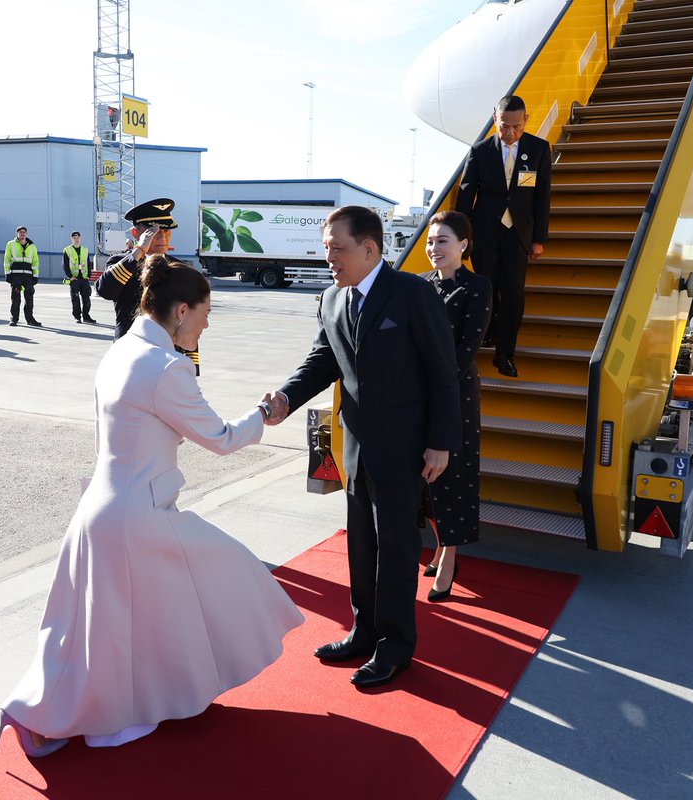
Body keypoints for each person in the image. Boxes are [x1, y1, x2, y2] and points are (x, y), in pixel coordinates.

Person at [0, 254, 302, 757]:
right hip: (139, 516)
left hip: (101, 504)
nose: (208, 323)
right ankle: (85, 715)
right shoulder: (166, 368)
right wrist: (265, 413)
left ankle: (57, 711)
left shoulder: (121, 350)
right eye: (205, 313)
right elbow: (220, 438)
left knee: (99, 629)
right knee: (226, 573)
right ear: (181, 311)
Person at [266, 206, 460, 689]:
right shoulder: (332, 298)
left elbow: (443, 373)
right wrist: (286, 397)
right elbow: (322, 360)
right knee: (361, 545)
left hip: (405, 449)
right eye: (327, 247)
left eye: (338, 248)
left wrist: (440, 444)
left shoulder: (413, 294)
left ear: (370, 249)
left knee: (396, 549)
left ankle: (395, 646)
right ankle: (364, 631)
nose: (328, 256)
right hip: (355, 447)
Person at [419, 211, 491, 601]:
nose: (434, 249)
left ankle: (449, 555)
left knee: (454, 477)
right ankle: (437, 541)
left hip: (457, 393)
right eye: (431, 241)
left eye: (442, 241)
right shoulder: (418, 286)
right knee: (425, 478)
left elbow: (467, 348)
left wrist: (432, 382)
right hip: (418, 393)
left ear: (463, 245)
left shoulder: (478, 287)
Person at [456, 94, 552, 378]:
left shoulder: (538, 149)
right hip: (485, 233)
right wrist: (463, 237)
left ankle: (505, 354)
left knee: (513, 291)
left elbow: (542, 196)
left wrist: (539, 239)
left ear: (526, 121)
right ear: (495, 119)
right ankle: (490, 332)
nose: (510, 133)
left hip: (519, 234)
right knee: (486, 287)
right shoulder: (479, 151)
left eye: (516, 127)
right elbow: (465, 196)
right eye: (504, 127)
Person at [95, 198, 176, 340]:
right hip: (131, 347)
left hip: (170, 350)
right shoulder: (122, 262)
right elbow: (105, 290)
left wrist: (191, 361)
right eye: (154, 231)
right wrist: (139, 251)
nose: (162, 237)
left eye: (167, 231)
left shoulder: (178, 267)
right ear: (135, 233)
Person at [4, 226, 41, 326]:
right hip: (16, 275)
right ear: (17, 234)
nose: (22, 234)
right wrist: (7, 274)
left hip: (28, 276)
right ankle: (14, 318)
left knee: (29, 298)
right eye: (20, 232)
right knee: (15, 298)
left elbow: (35, 261)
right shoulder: (10, 244)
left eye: (24, 232)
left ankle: (30, 319)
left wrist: (35, 276)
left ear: (26, 234)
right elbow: (7, 259)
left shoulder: (32, 246)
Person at [62, 231, 97, 323]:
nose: (76, 239)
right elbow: (65, 265)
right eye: (74, 238)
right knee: (75, 298)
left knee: (87, 299)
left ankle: (86, 316)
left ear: (80, 238)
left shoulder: (85, 250)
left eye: (78, 238)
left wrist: (89, 275)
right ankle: (77, 317)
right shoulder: (67, 250)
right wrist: (70, 276)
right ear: (71, 239)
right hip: (74, 278)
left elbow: (88, 263)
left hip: (84, 278)